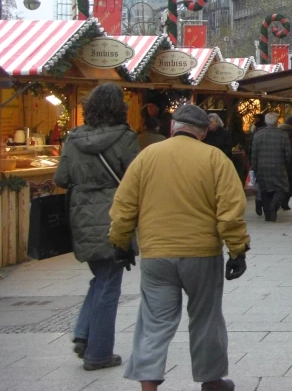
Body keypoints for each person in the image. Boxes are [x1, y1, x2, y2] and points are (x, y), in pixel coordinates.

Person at [108, 103, 249, 391]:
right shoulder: (214, 158)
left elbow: (124, 205)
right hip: (202, 253)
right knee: (206, 317)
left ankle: (148, 384)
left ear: (173, 127)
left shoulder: (147, 156)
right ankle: (211, 380)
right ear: (203, 132)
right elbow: (231, 209)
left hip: (157, 254)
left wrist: (120, 243)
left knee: (154, 321)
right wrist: (237, 250)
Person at [54, 83, 139, 371]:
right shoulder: (126, 138)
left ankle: (84, 333)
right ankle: (98, 353)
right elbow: (135, 178)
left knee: (101, 276)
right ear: (119, 108)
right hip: (115, 212)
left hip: (81, 214)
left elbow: (61, 178)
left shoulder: (73, 138)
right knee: (108, 283)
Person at [250, 112, 291, 222]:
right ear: (277, 122)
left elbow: (254, 153)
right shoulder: (283, 135)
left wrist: (254, 166)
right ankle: (274, 205)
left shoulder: (258, 134)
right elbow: (288, 153)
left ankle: (268, 213)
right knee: (280, 188)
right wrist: (286, 164)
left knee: (265, 190)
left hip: (262, 167)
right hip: (279, 166)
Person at [278, 115, 292, 210]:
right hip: (290, 160)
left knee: (279, 181)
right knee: (288, 182)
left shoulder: (279, 131)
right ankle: (285, 202)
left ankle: (279, 199)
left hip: (279, 159)